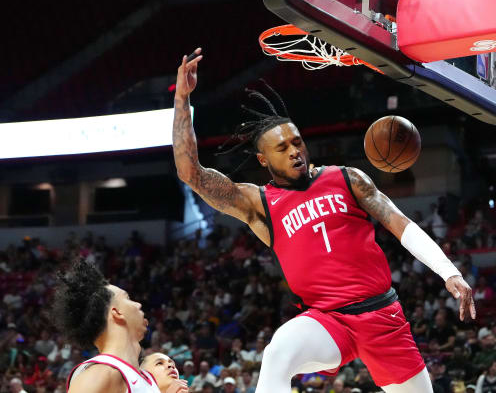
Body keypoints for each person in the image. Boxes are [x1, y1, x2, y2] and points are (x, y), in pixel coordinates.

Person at [171, 48, 473, 393]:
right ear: (263, 160)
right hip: (328, 321)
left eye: (297, 142)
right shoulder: (258, 203)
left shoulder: (347, 178)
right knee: (278, 352)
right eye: (281, 148)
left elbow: (399, 222)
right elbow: (190, 173)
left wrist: (448, 271)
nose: (294, 151)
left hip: (382, 316)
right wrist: (182, 98)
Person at [51, 260, 161, 393]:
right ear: (116, 313)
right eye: (128, 298)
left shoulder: (145, 377)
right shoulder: (101, 373)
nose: (138, 304)